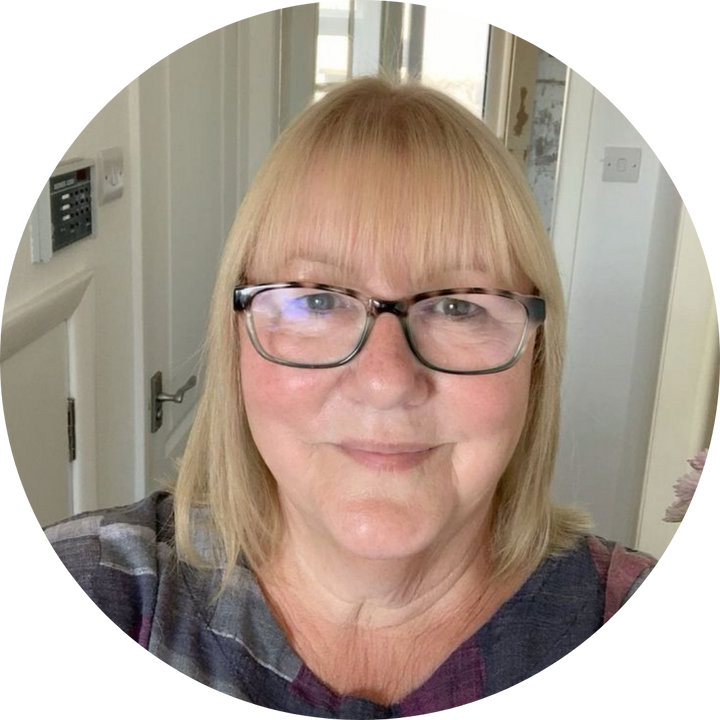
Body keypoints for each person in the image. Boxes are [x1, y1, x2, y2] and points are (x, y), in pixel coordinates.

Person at [42, 75, 657, 715]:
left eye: (457, 305)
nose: (385, 382)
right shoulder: (103, 588)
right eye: (317, 301)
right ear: (235, 340)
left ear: (537, 356)